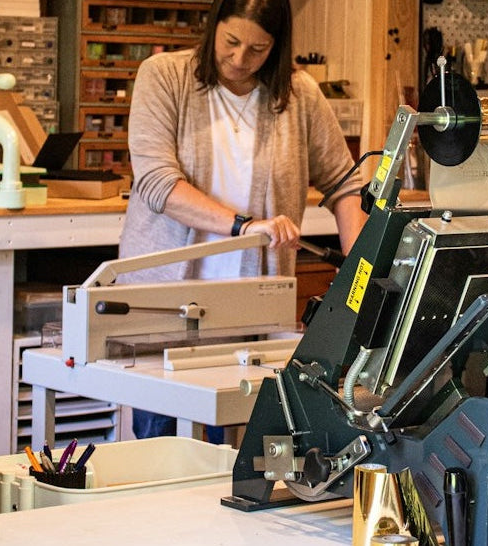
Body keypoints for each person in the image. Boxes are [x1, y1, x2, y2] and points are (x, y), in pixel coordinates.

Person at [118, 0, 368, 441]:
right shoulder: (163, 76)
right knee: (158, 443)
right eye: (231, 42)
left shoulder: (298, 94)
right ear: (213, 26)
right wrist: (243, 226)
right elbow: (157, 183)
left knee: (232, 447)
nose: (239, 59)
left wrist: (360, 271)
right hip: (165, 305)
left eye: (258, 49)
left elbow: (346, 184)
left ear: (277, 46)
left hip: (249, 308)